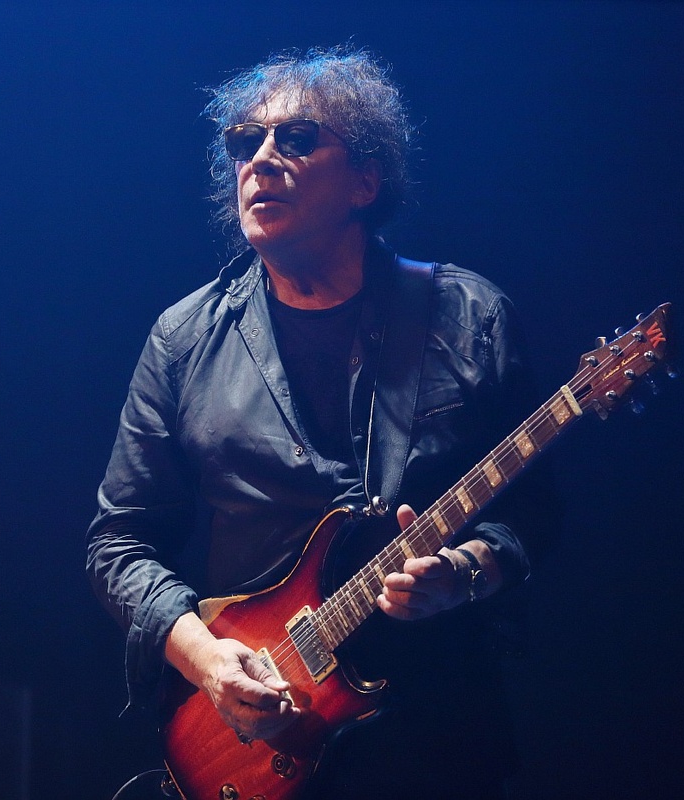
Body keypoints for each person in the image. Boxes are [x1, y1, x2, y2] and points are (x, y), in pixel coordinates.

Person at [87, 45, 556, 798]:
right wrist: (207, 661)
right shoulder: (183, 340)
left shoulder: (468, 317)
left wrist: (465, 572)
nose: (260, 160)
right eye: (246, 142)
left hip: (434, 740)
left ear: (366, 180)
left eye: (297, 139)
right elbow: (121, 540)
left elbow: (535, 510)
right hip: (257, 746)